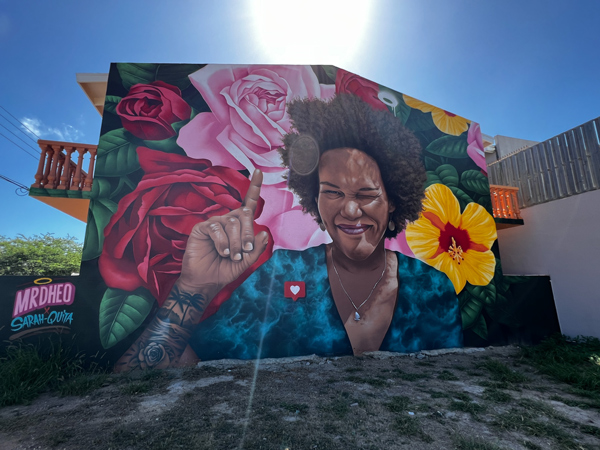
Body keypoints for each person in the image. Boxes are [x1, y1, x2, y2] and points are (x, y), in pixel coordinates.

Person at [115, 94, 462, 371]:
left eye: (367, 195)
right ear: (315, 202)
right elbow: (137, 383)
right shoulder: (281, 274)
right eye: (332, 192)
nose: (350, 210)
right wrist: (193, 289)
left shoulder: (431, 288)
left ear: (394, 205)